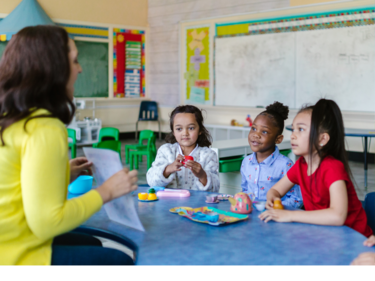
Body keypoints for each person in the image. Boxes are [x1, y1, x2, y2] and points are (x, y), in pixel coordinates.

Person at [0, 26, 138, 265]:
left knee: (94, 244)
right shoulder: (44, 127)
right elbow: (47, 223)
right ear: (53, 69)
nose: (80, 68)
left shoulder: (11, 116)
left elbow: (15, 189)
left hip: (9, 241)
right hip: (16, 257)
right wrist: (106, 191)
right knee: (120, 260)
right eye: (74, 61)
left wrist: (63, 173)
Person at [259, 99, 373, 238]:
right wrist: (273, 199)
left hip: (355, 240)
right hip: (326, 235)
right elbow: (275, 190)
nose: (293, 135)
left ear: (322, 139)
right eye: (293, 129)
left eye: (300, 129)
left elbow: (338, 216)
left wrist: (291, 215)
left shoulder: (332, 168)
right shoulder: (300, 165)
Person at [240, 102, 303, 208]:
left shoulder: (285, 165)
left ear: (278, 139)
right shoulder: (246, 162)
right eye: (254, 128)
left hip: (275, 218)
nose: (256, 135)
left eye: (264, 132)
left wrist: (274, 206)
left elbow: (297, 200)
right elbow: (245, 191)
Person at [147, 105, 219, 191]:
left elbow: (215, 188)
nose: (185, 133)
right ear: (173, 131)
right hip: (170, 203)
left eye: (191, 128)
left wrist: (202, 175)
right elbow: (151, 181)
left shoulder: (209, 155)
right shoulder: (165, 151)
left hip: (197, 204)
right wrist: (168, 169)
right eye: (179, 129)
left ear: (200, 130)